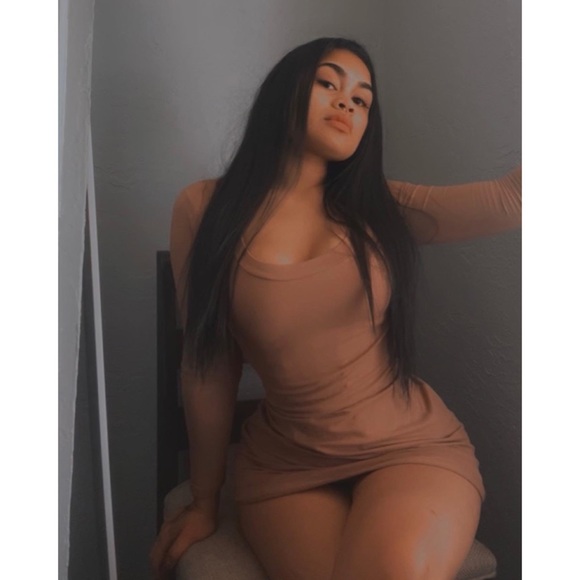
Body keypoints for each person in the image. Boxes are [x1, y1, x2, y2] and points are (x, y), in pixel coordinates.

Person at [150, 37, 521, 580]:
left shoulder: (380, 207)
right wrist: (205, 499)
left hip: (409, 448)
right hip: (286, 466)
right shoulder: (203, 208)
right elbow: (207, 365)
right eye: (329, 83)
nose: (347, 101)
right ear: (285, 92)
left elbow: (514, 199)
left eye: (362, 99)